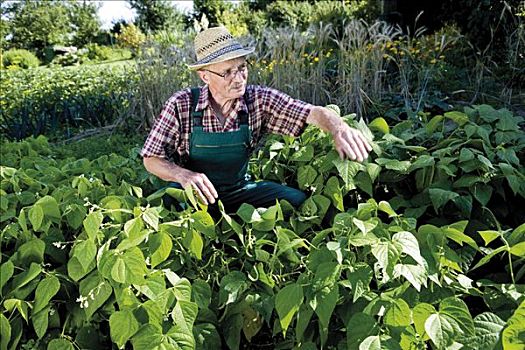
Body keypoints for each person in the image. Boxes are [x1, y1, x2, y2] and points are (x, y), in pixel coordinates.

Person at [141, 26, 372, 213]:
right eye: (227, 72)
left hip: (239, 190)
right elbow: (151, 158)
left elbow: (310, 112)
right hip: (191, 194)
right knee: (169, 215)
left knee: (298, 201)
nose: (239, 78)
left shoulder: (257, 100)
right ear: (204, 76)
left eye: (242, 68)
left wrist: (338, 127)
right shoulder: (181, 104)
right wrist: (182, 175)